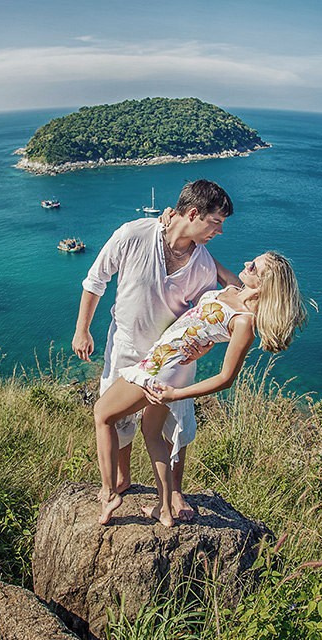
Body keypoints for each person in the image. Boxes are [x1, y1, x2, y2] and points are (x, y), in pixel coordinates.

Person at [95, 251, 306, 526]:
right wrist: (178, 229)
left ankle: (110, 492)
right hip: (167, 361)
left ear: (264, 283)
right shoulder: (234, 289)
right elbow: (207, 259)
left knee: (103, 414)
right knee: (152, 434)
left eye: (253, 266)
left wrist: (176, 395)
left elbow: (226, 378)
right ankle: (164, 509)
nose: (245, 263)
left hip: (163, 367)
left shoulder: (245, 322)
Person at [73, 179, 240, 521]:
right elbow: (96, 279)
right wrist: (82, 329)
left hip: (171, 358)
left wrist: (202, 351)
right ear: (193, 214)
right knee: (116, 417)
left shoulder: (204, 264)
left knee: (176, 424)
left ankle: (174, 493)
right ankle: (121, 478)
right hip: (126, 344)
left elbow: (206, 318)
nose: (220, 231)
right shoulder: (133, 235)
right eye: (216, 221)